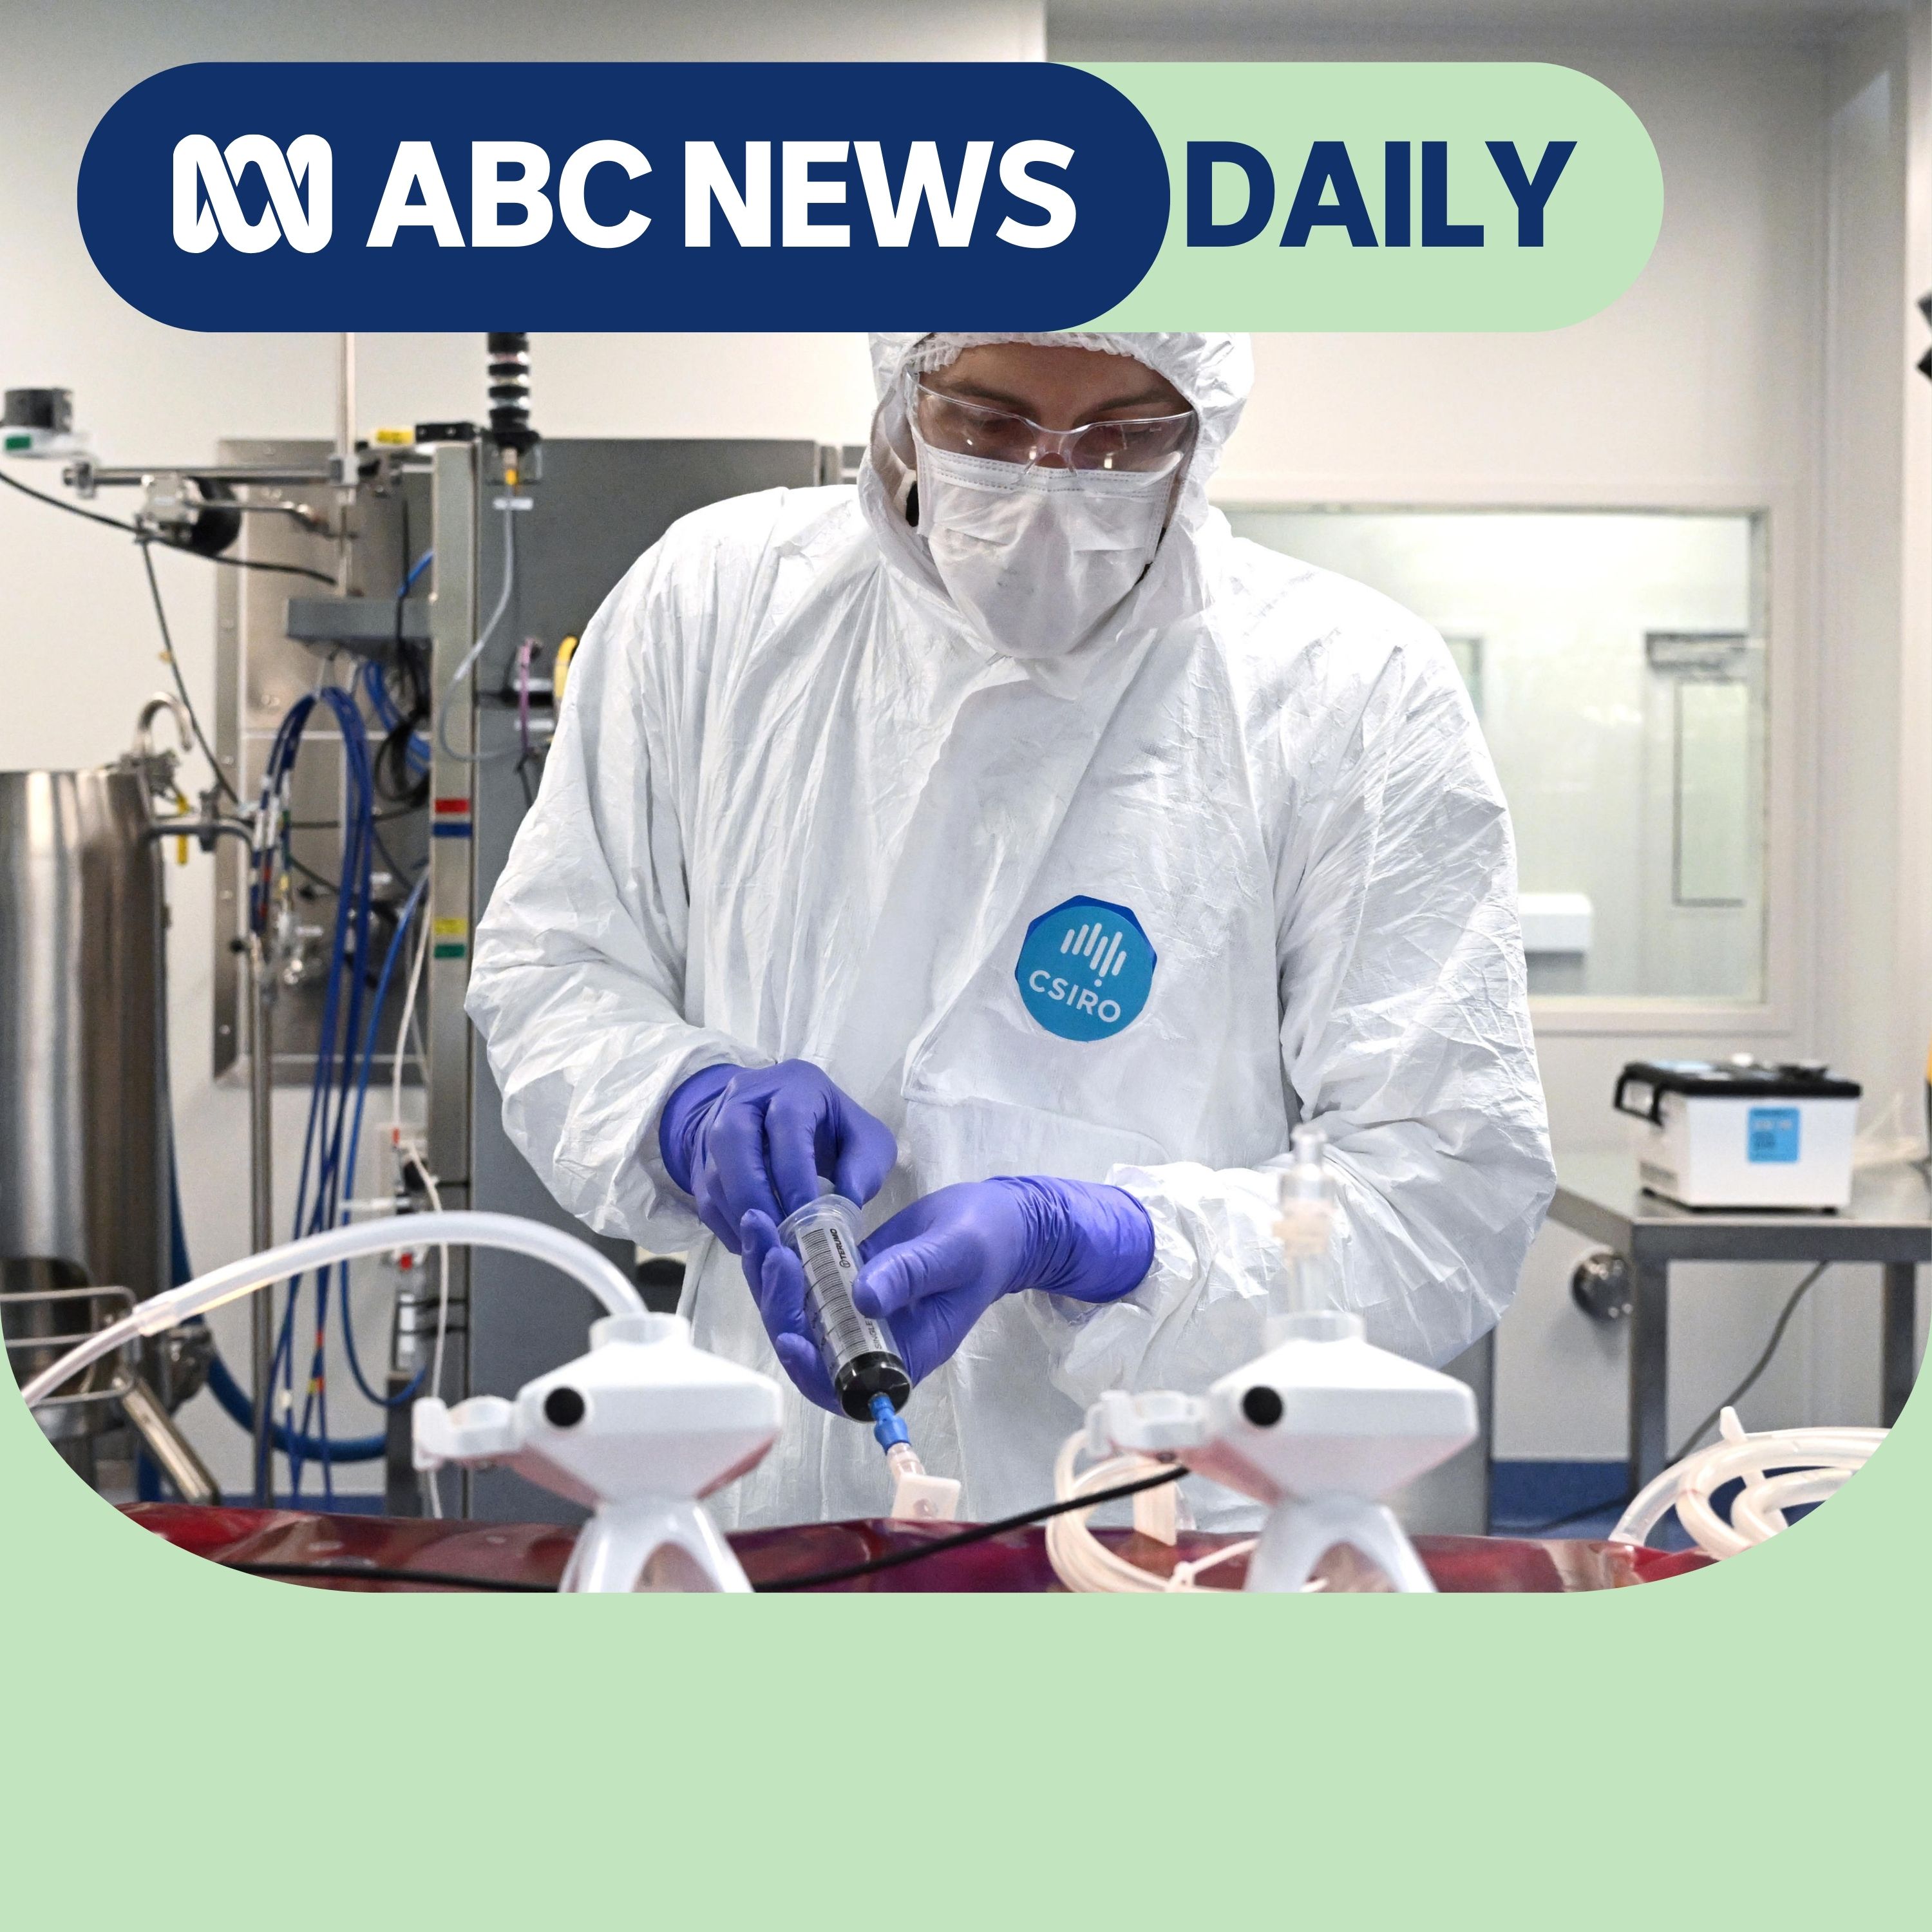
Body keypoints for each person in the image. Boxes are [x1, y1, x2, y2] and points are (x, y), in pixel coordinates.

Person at [466, 331, 1555, 1529]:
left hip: (1160, 1524)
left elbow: (1447, 1185)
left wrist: (1123, 1245)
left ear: (1204, 425)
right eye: (987, 423)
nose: (1047, 485)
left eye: (1121, 439)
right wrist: (684, 1104)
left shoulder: (1348, 689)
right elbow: (555, 964)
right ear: (899, 394)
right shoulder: (720, 605)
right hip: (769, 1503)